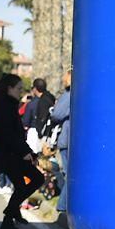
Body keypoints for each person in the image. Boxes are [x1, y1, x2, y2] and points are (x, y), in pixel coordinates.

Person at [0, 73, 45, 229]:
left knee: (21, 186)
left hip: (10, 153)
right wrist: (26, 152)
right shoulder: (5, 107)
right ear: (9, 89)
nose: (21, 92)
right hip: (9, 155)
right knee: (37, 178)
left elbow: (15, 134)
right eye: (19, 88)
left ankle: (8, 223)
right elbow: (10, 135)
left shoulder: (6, 105)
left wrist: (28, 152)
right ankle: (11, 212)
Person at [50, 69, 71, 211]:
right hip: (72, 138)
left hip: (67, 137)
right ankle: (63, 206)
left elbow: (57, 114)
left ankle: (62, 206)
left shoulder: (69, 94)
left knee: (69, 174)